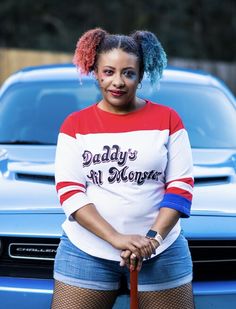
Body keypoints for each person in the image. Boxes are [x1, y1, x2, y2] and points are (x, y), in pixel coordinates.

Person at [51, 28, 195, 309]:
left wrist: (151, 240)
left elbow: (180, 188)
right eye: (108, 72)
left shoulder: (168, 119)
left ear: (141, 76)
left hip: (161, 251)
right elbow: (70, 192)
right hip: (86, 251)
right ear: (95, 72)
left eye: (128, 73)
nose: (118, 82)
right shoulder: (75, 125)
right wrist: (117, 238)